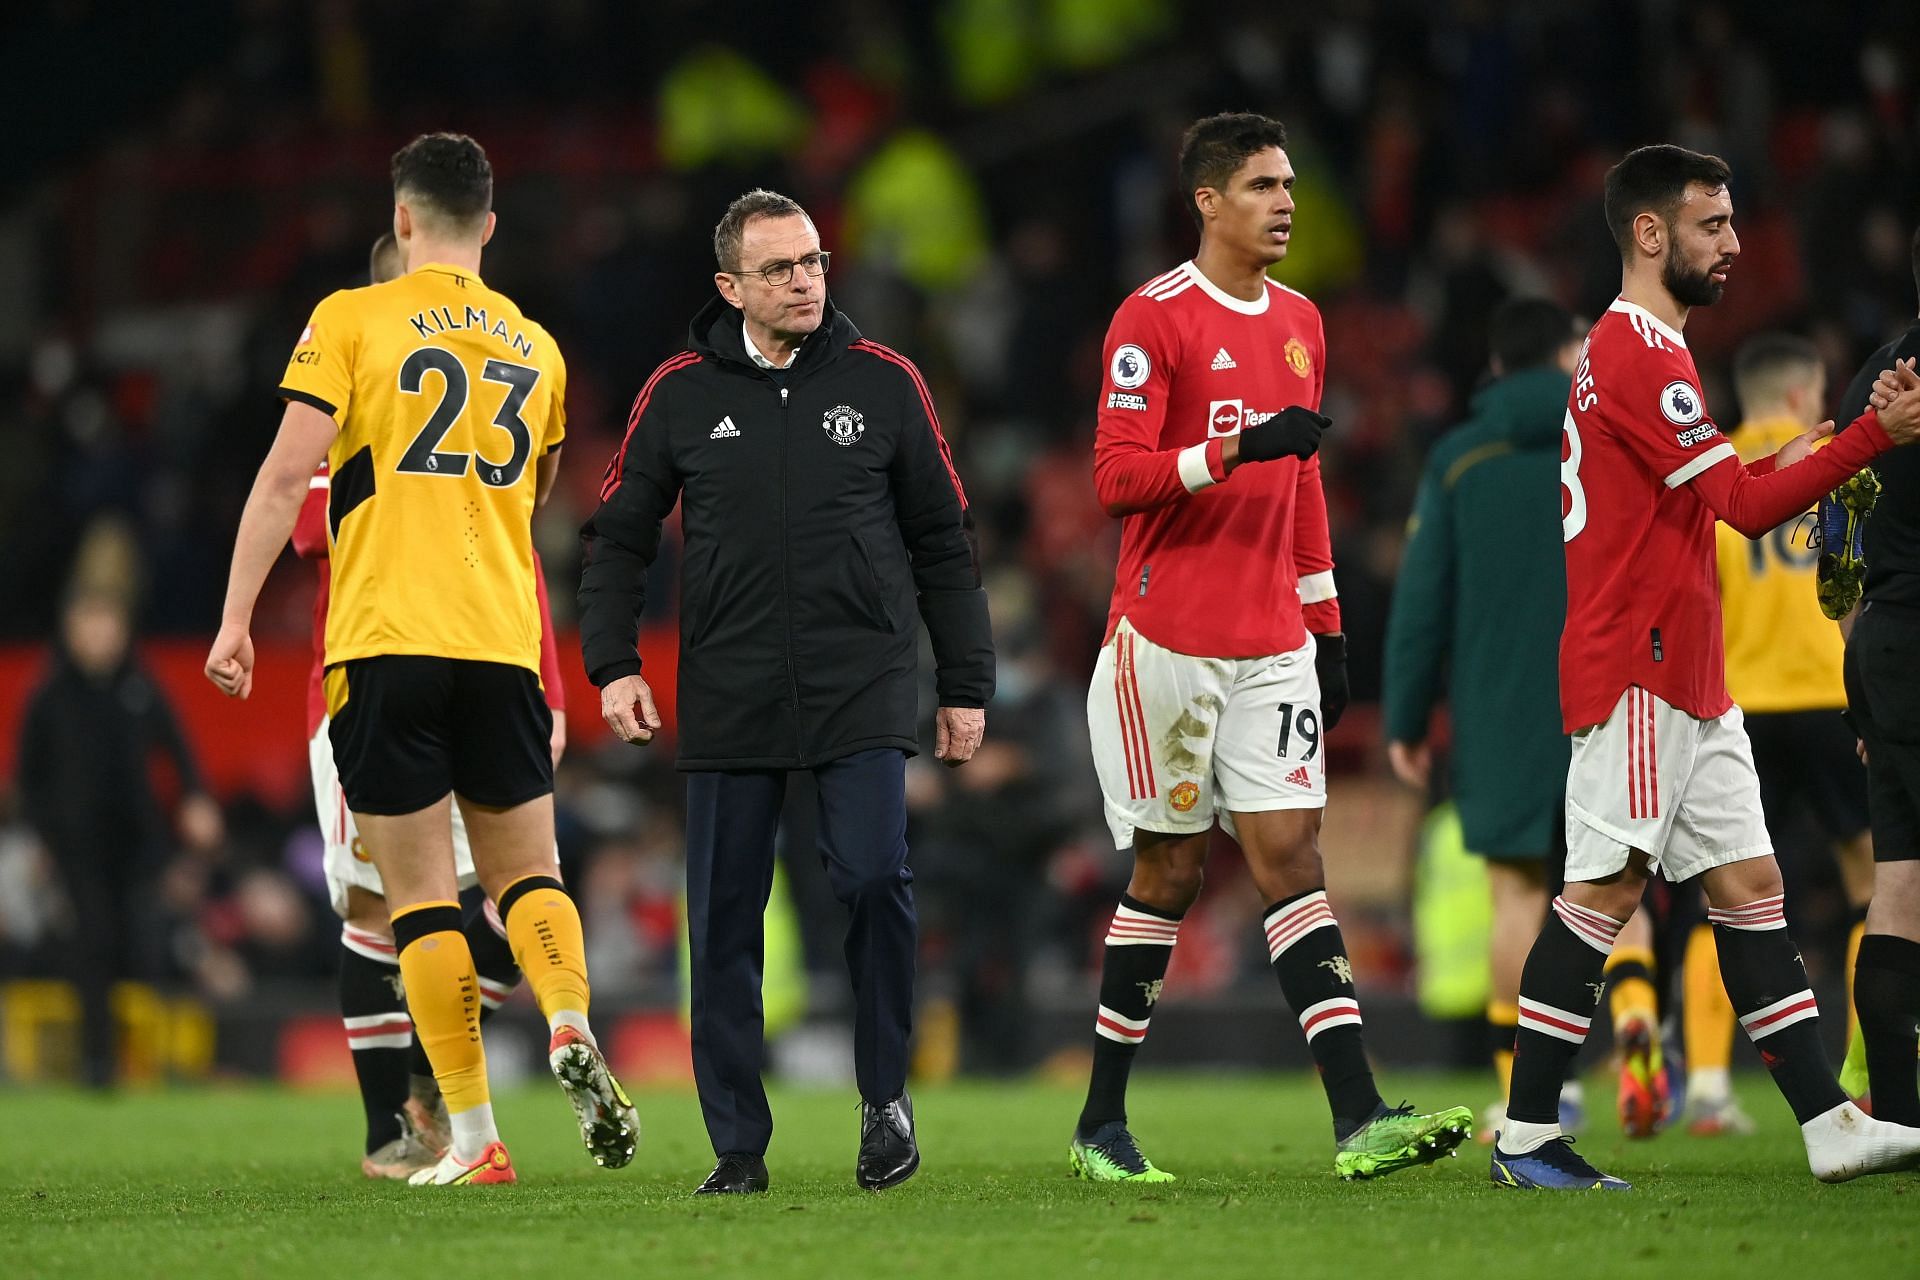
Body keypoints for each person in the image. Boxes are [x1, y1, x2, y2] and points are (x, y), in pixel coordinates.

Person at [207, 132, 635, 1187]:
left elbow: (282, 480)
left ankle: (476, 1135)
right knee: (529, 875)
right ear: (489, 224)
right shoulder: (539, 349)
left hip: (385, 643)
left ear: (402, 221)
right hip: (498, 645)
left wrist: (234, 617)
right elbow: (524, 521)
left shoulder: (350, 319)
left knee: (420, 905)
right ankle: (570, 1016)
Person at [1490, 143, 1920, 1191]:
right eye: (1712, 224)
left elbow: (1706, 489)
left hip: (1689, 668)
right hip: (1637, 665)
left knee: (1752, 885)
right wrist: (1873, 434)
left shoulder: (1641, 351)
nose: (1734, 244)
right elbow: (1742, 510)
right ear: (1651, 233)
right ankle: (1526, 1135)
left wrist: (1802, 450)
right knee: (1600, 892)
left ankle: (1828, 1123)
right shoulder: (1641, 350)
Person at [1069, 111, 1472, 1185]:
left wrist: (1327, 623)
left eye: (1290, 183)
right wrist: (1234, 445)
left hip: (1271, 642)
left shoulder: (1302, 321)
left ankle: (1358, 1116)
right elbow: (1115, 479)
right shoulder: (1151, 319)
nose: (1286, 201)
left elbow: (1303, 486)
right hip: (1164, 639)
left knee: (1292, 857)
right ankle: (1100, 1120)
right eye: (1261, 185)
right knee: (1172, 867)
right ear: (1207, 201)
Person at [580, 188, 993, 1195]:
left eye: (812, 261)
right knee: (722, 924)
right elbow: (620, 537)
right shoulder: (677, 392)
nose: (805, 279)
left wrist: (964, 683)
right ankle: (738, 1145)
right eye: (780, 268)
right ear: (730, 287)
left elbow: (945, 541)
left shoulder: (887, 382)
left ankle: (884, 1095)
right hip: (730, 690)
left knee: (870, 879)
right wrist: (614, 661)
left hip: (863, 682)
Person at [295, 230, 576, 1179]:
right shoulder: (483, 368)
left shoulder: (371, 394)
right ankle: (401, 1121)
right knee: (431, 901)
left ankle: (432, 1092)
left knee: (422, 905)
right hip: (444, 668)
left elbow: (303, 521)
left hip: (392, 670)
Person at [1384, 297, 1586, 1142]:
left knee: (1516, 892)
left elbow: (1422, 597)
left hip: (1497, 704)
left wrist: (1404, 714)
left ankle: (1530, 1093)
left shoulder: (1460, 458)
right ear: (1570, 354)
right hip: (1605, 694)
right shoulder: (1607, 440)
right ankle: (1645, 1029)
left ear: (1499, 366)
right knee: (1614, 889)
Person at [1680, 332, 1877, 1135]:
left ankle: (1705, 1087)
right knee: (1877, 885)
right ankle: (1867, 1071)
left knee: (1719, 897)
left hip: (1740, 708)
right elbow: (1854, 587)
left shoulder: (1714, 475)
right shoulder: (1833, 464)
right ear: (1803, 396)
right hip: (1828, 698)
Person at [17, 588, 223, 1087]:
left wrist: (195, 798)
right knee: (94, 944)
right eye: (90, 623)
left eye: (108, 624)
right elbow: (29, 775)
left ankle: (159, 1059)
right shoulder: (50, 695)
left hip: (138, 843)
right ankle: (98, 1064)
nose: (100, 636)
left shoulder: (140, 687)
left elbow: (178, 748)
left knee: (149, 943)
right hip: (76, 847)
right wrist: (40, 837)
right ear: (70, 630)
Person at [1840, 224, 1920, 1128]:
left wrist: (1864, 679)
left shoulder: (1875, 374)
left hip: (1885, 644)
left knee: (1900, 881)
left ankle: (1900, 1115)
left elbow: (1838, 554)